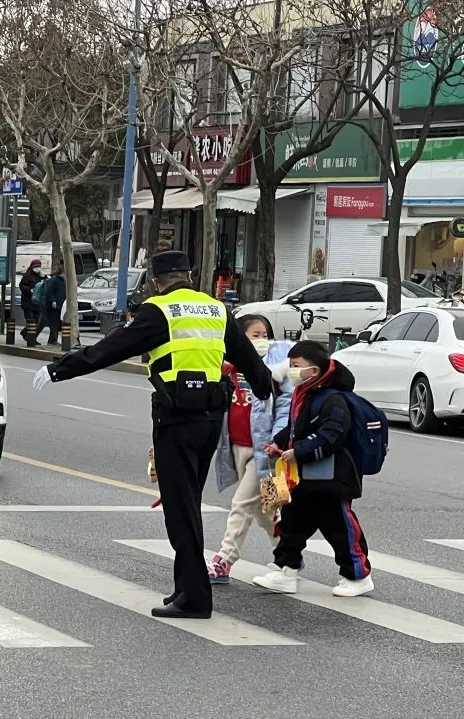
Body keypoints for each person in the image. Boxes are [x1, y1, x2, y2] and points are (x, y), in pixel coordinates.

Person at [32, 251, 271, 619]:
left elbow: (108, 349)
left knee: (180, 510)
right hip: (211, 420)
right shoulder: (215, 309)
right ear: (189, 275)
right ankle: (185, 587)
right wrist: (267, 388)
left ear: (156, 281)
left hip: (176, 419)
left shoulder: (158, 311)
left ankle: (194, 596)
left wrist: (59, 369)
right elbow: (248, 359)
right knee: (187, 503)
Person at [250, 341, 374, 598]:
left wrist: (299, 451)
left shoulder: (333, 398)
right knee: (291, 526)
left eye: (296, 366)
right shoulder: (304, 392)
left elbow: (332, 435)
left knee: (340, 529)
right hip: (302, 478)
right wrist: (279, 442)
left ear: (314, 371)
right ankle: (285, 571)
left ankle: (358, 576)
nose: (292, 371)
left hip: (331, 480)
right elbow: (297, 429)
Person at [207, 314, 292, 584]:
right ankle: (289, 555)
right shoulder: (226, 369)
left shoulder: (275, 371)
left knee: (242, 504)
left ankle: (225, 559)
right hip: (236, 447)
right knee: (266, 511)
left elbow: (285, 407)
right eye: (255, 335)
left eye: (265, 335)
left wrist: (278, 440)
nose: (262, 340)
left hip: (264, 451)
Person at [40, 264, 67, 346]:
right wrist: (53, 301)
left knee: (57, 323)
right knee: (54, 324)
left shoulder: (64, 281)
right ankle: (52, 340)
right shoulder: (54, 280)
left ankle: (52, 339)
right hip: (53, 306)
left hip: (61, 305)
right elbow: (50, 292)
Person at [19, 259, 44, 341]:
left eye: (39, 267)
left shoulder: (40, 276)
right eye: (36, 267)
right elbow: (22, 286)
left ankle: (25, 333)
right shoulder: (27, 276)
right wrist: (29, 290)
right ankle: (31, 339)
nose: (37, 268)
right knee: (31, 321)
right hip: (28, 302)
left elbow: (45, 284)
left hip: (37, 303)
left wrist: (44, 277)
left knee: (36, 321)